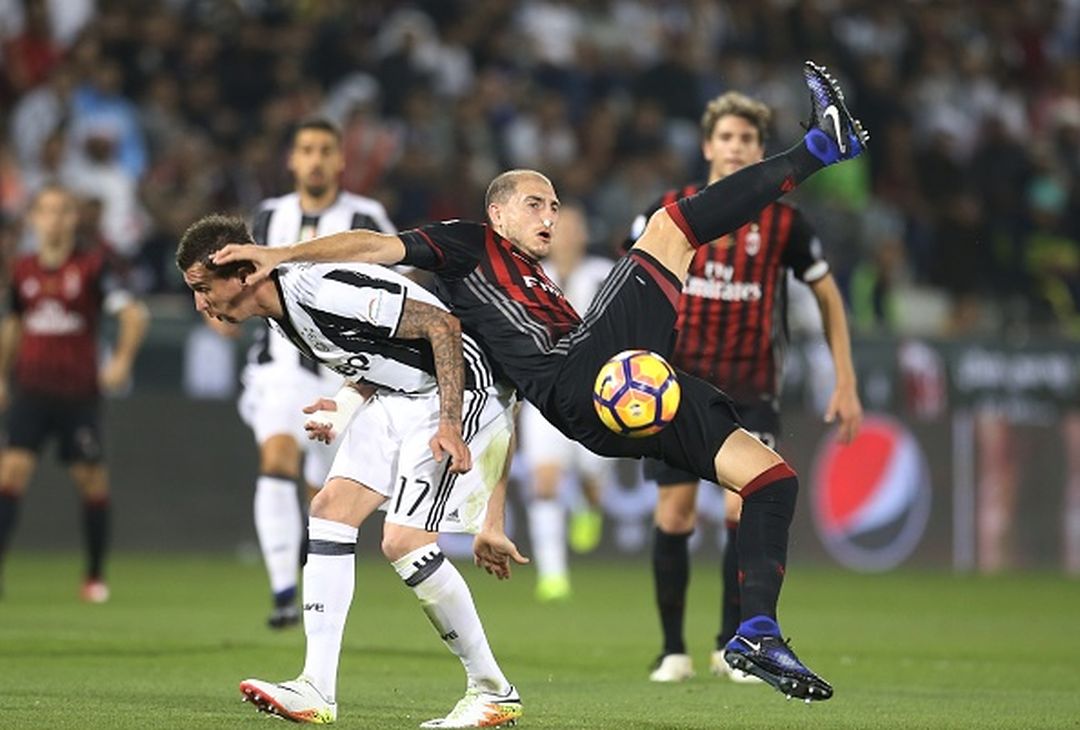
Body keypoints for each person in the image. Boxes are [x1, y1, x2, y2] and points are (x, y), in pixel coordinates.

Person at [214, 61, 868, 702]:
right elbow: (368, 244)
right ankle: (819, 146)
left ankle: (755, 631)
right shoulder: (465, 245)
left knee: (771, 479)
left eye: (554, 205)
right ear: (497, 214)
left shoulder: (539, 286)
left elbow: (503, 401)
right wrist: (279, 254)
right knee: (670, 228)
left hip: (609, 392)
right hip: (581, 375)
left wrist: (493, 514)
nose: (549, 216)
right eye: (535, 204)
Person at [177, 215, 525, 727]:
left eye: (204, 288)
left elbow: (441, 327)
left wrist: (450, 424)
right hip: (401, 394)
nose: (201, 304)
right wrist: (343, 403)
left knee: (404, 541)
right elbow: (376, 356)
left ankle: (493, 689)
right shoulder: (281, 312)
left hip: (459, 389)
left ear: (243, 273)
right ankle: (316, 687)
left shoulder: (319, 290)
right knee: (330, 510)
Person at [623, 92, 863, 683]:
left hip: (750, 386)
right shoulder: (667, 210)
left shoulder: (786, 223)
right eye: (726, 138)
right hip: (673, 386)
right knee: (675, 514)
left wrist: (846, 379)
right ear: (708, 146)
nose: (736, 148)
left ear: (760, 149)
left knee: (745, 500)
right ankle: (671, 649)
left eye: (748, 141)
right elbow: (628, 284)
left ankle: (735, 644)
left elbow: (827, 293)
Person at [241, 118, 398, 629]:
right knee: (276, 457)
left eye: (324, 150)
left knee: (322, 491)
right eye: (305, 149)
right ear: (292, 159)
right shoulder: (266, 217)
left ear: (339, 161)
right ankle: (283, 589)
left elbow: (394, 293)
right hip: (277, 371)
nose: (314, 159)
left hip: (341, 376)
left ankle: (311, 583)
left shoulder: (365, 215)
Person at [0, 182, 149, 602]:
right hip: (30, 389)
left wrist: (120, 360)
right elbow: (13, 323)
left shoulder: (91, 267)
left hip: (77, 395)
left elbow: (134, 315)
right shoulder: (23, 268)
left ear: (73, 219)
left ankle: (95, 576)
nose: (54, 219)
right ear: (34, 219)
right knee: (9, 475)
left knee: (91, 482)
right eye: (46, 210)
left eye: (63, 211)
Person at [517, 202, 613, 602]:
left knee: (592, 481)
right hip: (545, 396)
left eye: (574, 228)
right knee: (544, 482)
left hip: (598, 397)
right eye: (559, 229)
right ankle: (553, 576)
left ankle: (588, 507)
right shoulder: (531, 278)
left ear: (584, 235)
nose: (566, 235)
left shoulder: (603, 275)